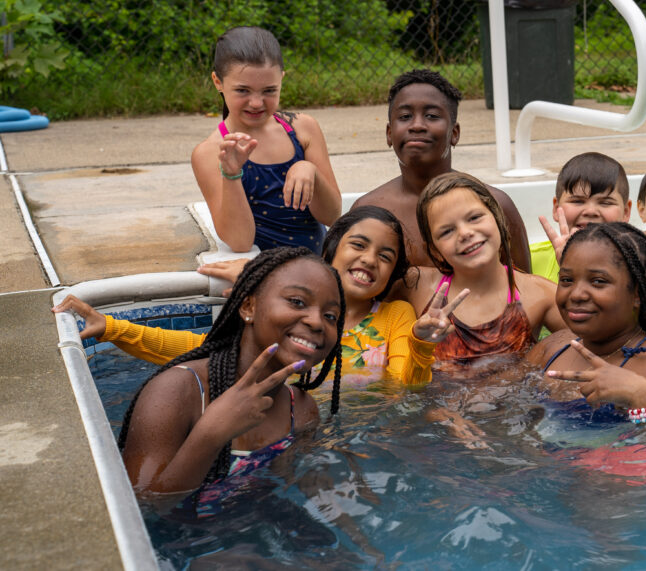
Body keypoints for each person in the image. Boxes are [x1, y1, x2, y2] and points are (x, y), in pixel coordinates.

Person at [55, 207, 440, 386]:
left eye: (385, 256)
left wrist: (421, 345)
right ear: (332, 250)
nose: (370, 259)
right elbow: (202, 349)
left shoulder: (395, 316)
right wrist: (113, 329)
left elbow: (403, 388)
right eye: (358, 245)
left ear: (392, 273)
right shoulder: (290, 315)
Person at [117, 247, 343, 497]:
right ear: (248, 307)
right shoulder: (177, 392)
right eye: (297, 302)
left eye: (331, 316)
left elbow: (295, 487)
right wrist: (211, 434)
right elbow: (141, 506)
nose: (316, 322)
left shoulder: (300, 410)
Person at [351, 69, 530, 271]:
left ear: (454, 133)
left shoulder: (494, 205)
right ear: (389, 134)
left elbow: (523, 289)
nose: (417, 125)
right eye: (405, 116)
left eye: (431, 116)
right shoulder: (367, 210)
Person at [528, 222, 646, 421]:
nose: (576, 294)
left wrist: (643, 398)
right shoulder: (552, 347)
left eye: (598, 281)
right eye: (567, 280)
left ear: (637, 294)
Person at [191, 26, 341, 253]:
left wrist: (310, 170)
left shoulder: (303, 129)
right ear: (218, 82)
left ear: (281, 79)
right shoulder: (210, 152)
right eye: (243, 91)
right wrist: (231, 175)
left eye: (269, 91)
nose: (256, 103)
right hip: (263, 276)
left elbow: (332, 216)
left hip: (319, 269)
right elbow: (240, 242)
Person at [406, 171, 565, 367]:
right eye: (447, 231)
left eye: (474, 218)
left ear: (498, 219)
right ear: (435, 251)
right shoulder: (417, 286)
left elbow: (602, 338)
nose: (465, 233)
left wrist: (576, 270)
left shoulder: (538, 295)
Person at [531, 152, 646, 323]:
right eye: (577, 201)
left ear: (626, 211)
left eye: (605, 202)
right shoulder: (531, 260)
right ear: (556, 208)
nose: (591, 211)